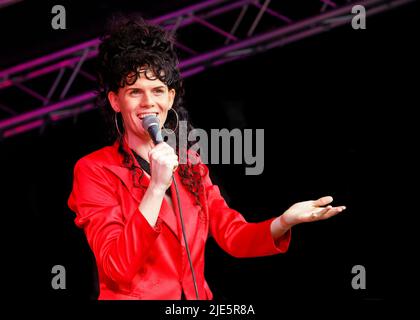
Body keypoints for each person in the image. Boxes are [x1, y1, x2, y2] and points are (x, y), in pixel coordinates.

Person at [68, 16, 346, 300]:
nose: (148, 102)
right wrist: (155, 188)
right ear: (116, 101)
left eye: (158, 91)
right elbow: (117, 266)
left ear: (170, 97)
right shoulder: (95, 170)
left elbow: (233, 235)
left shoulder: (189, 163)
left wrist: (284, 221)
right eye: (135, 91)